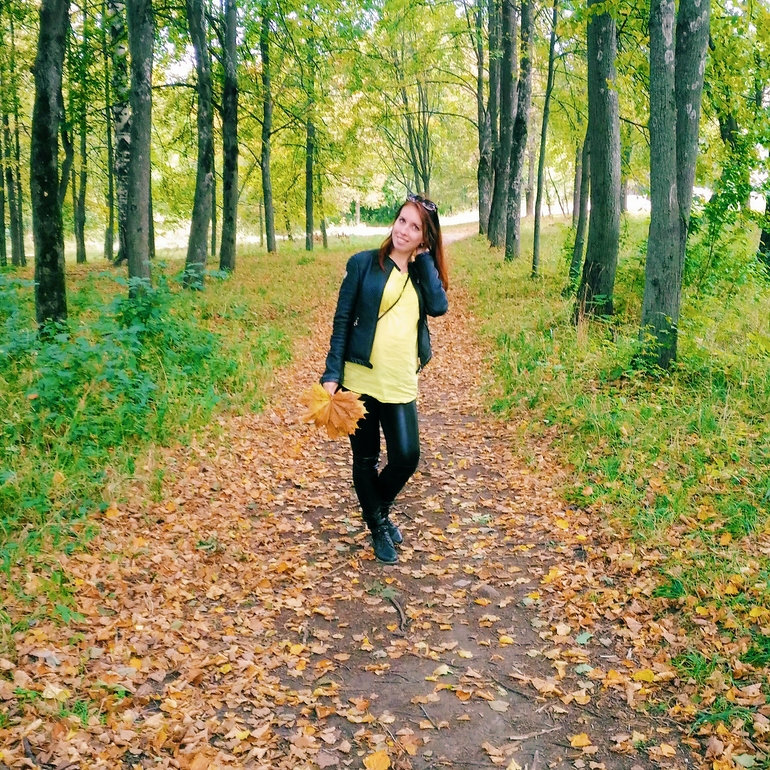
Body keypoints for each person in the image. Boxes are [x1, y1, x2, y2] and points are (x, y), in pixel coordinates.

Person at [321, 194, 449, 564]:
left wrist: (425, 259)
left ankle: (377, 508)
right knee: (366, 459)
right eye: (402, 220)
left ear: (424, 238)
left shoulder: (421, 274)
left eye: (415, 227)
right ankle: (378, 525)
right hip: (360, 379)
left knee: (407, 456)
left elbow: (439, 306)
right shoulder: (362, 264)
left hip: (400, 379)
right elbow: (342, 322)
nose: (403, 230)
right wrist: (332, 373)